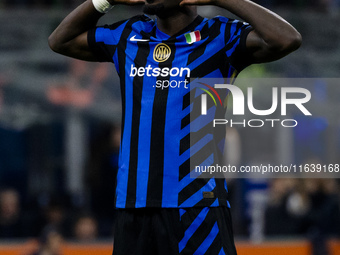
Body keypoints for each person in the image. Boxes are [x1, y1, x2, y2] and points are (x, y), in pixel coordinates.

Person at [48, 0, 301, 254]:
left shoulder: (221, 36)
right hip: (134, 208)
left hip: (198, 209)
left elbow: (287, 39)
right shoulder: (129, 34)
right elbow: (60, 41)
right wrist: (105, 0)